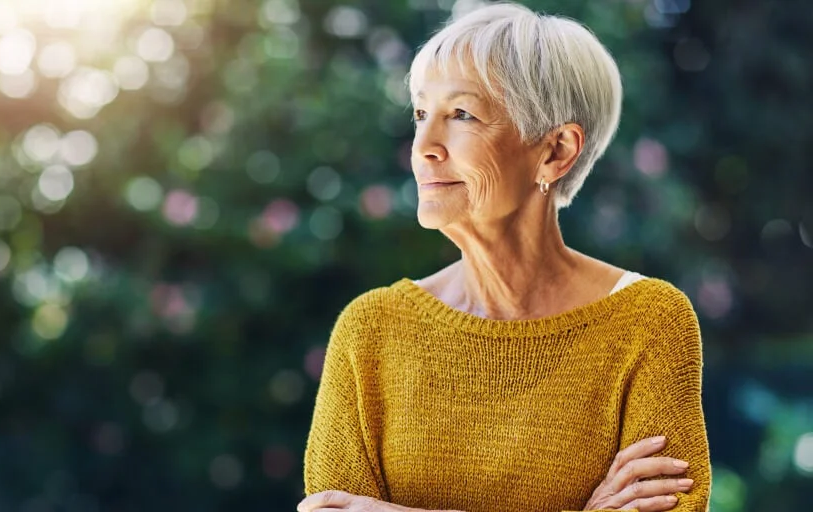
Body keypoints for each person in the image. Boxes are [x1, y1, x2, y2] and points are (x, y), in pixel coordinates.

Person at [297, 3, 711, 512]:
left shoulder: (648, 322)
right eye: (422, 114)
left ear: (556, 151)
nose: (423, 146)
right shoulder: (370, 333)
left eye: (461, 115)